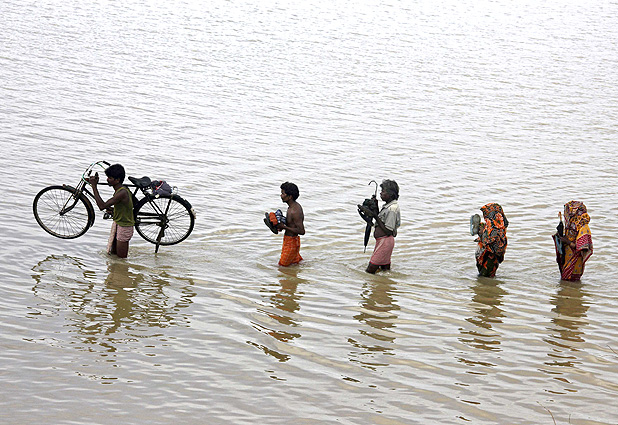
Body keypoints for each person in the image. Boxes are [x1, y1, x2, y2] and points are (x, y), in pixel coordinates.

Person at [88, 164, 135, 258]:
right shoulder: (120, 190)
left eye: (110, 178)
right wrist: (113, 210)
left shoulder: (121, 193)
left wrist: (94, 186)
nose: (107, 180)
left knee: (121, 259)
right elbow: (124, 207)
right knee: (113, 256)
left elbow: (101, 206)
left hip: (124, 226)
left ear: (117, 180)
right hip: (118, 223)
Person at [360, 179, 400, 274]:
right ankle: (385, 287)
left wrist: (374, 215)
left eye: (383, 191)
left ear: (390, 194)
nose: (380, 193)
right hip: (384, 241)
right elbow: (382, 221)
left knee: (370, 271)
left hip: (385, 242)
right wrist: (376, 208)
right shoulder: (388, 206)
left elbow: (388, 231)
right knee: (385, 271)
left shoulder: (391, 209)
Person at [553, 201, 593, 281]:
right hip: (567, 255)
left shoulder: (583, 226)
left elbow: (582, 246)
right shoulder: (570, 223)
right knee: (565, 278)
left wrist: (567, 241)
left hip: (576, 258)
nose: (566, 214)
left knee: (572, 280)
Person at [470, 203, 508, 277]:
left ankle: (486, 286)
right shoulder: (498, 226)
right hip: (487, 253)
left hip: (491, 256)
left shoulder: (495, 231)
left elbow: (487, 241)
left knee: (485, 275)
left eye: (486, 214)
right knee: (484, 275)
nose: (485, 217)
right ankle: (487, 285)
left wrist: (481, 234)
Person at [277, 182, 305, 266]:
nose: (281, 195)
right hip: (290, 240)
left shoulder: (295, 210)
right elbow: (292, 224)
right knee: (294, 265)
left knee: (282, 267)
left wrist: (284, 227)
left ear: (290, 196)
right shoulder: (291, 207)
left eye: (283, 193)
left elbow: (301, 231)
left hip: (291, 243)